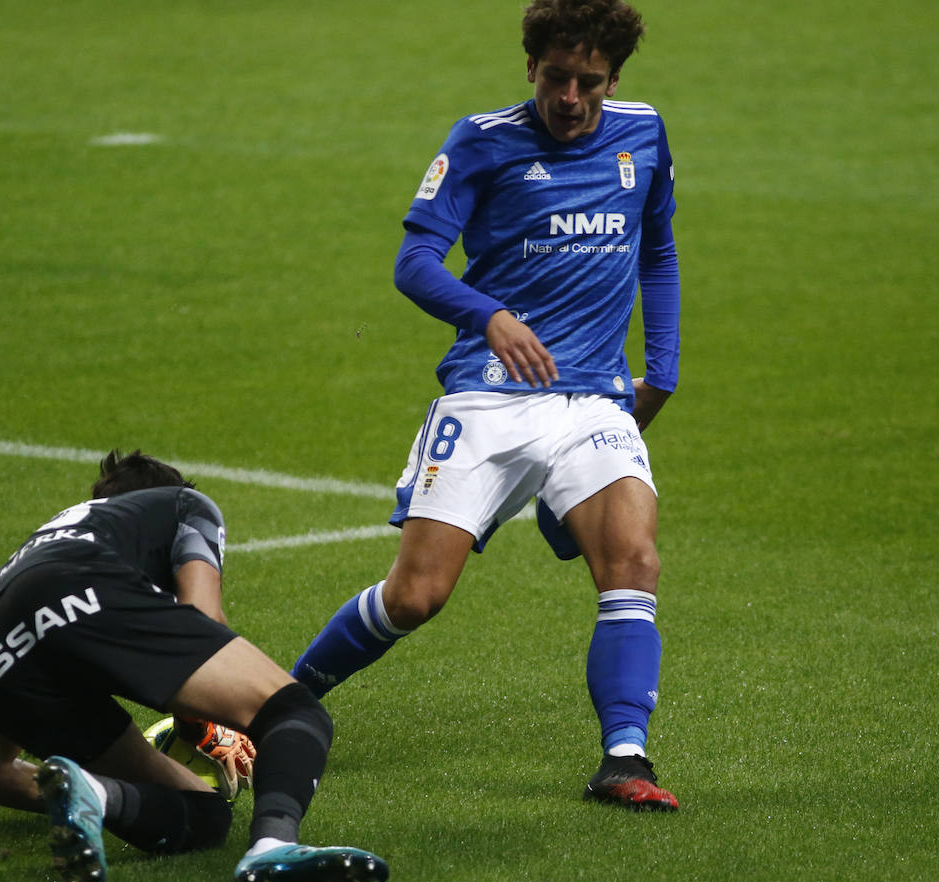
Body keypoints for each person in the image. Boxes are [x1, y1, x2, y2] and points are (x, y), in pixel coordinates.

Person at [291, 0, 681, 811]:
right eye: (556, 77)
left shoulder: (644, 133)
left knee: (634, 562)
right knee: (416, 596)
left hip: (593, 400)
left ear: (614, 78)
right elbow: (415, 261)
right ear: (530, 66)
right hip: (492, 395)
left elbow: (659, 248)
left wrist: (663, 372)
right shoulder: (482, 139)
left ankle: (624, 758)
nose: (571, 97)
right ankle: (276, 698)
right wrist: (489, 315)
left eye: (590, 82)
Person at [0, 450, 388, 882]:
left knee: (205, 818)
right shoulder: (184, 504)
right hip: (83, 594)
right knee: (294, 711)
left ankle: (94, 792)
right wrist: (200, 730)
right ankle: (273, 847)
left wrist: (61, 788)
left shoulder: (49, 542)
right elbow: (201, 618)